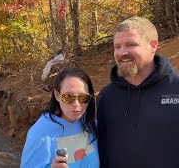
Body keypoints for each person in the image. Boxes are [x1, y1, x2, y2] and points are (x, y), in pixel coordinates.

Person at [97, 17, 179, 167]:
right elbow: (101, 153)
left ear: (153, 45)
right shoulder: (106, 97)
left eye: (131, 44)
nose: (122, 53)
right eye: (117, 46)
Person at [21, 67, 99, 168]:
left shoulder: (91, 125)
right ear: (57, 95)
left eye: (83, 97)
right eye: (68, 97)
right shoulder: (40, 133)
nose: (76, 104)